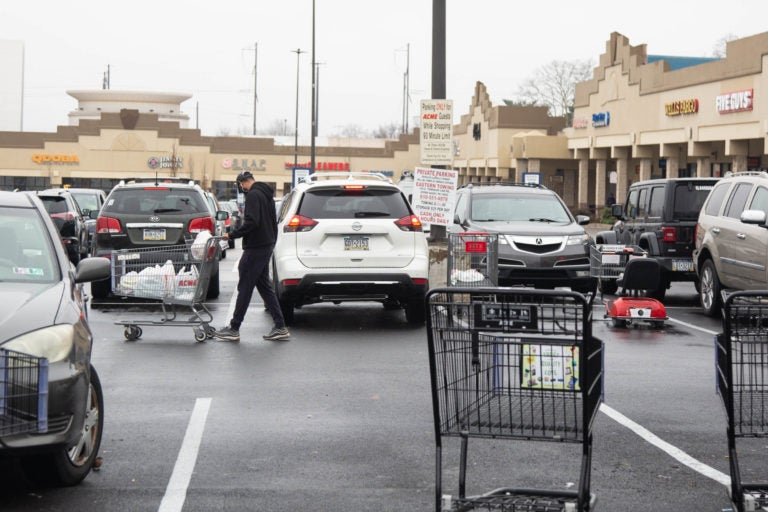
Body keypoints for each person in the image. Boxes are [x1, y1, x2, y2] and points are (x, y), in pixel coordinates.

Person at [213, 171, 290, 342]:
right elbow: (271, 221)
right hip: (266, 244)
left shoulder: (254, 195)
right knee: (264, 286)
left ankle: (234, 328)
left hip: (256, 247)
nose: (242, 188)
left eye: (241, 185)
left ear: (243, 182)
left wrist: (232, 234)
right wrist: (271, 241)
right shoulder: (266, 194)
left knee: (245, 286)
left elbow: (252, 222)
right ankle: (280, 326)